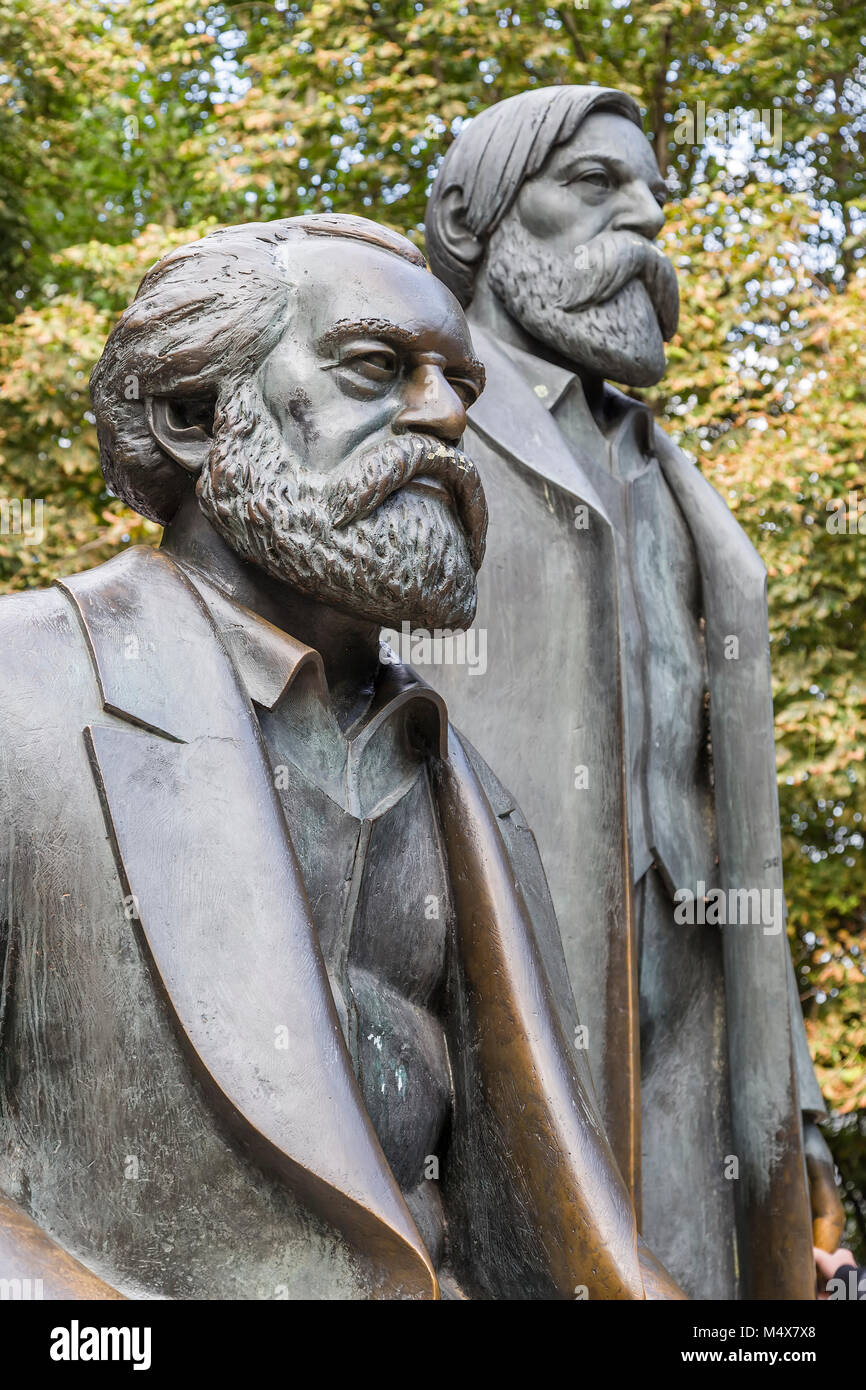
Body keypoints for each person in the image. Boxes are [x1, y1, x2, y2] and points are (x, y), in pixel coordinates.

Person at [0, 213, 678, 1300]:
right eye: (378, 366)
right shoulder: (20, 691)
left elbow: (546, 1231)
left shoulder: (481, 803)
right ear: (192, 413)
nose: (445, 415)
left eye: (459, 381)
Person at [424, 85, 841, 1299]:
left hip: (700, 1042)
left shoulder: (671, 483)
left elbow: (726, 826)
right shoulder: (416, 442)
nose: (647, 221)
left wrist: (796, 1101)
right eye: (596, 188)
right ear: (476, 219)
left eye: (651, 192)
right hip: (498, 1033)